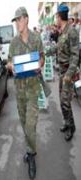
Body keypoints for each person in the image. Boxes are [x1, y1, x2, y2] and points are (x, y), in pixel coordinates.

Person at [7, 7, 44, 179]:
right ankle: (30, 150)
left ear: (26, 19)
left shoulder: (36, 38)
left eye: (19, 20)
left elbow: (42, 57)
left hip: (33, 89)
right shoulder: (13, 43)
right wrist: (11, 66)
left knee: (30, 124)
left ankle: (31, 155)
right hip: (20, 91)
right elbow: (8, 62)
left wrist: (40, 64)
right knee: (24, 123)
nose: (17, 23)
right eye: (15, 21)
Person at [55, 5, 79, 141]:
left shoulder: (72, 31)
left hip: (68, 71)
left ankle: (72, 128)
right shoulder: (62, 31)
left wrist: (69, 75)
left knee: (66, 101)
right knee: (61, 99)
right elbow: (59, 49)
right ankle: (67, 122)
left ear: (60, 16)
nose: (56, 19)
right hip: (61, 71)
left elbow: (75, 56)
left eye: (56, 17)